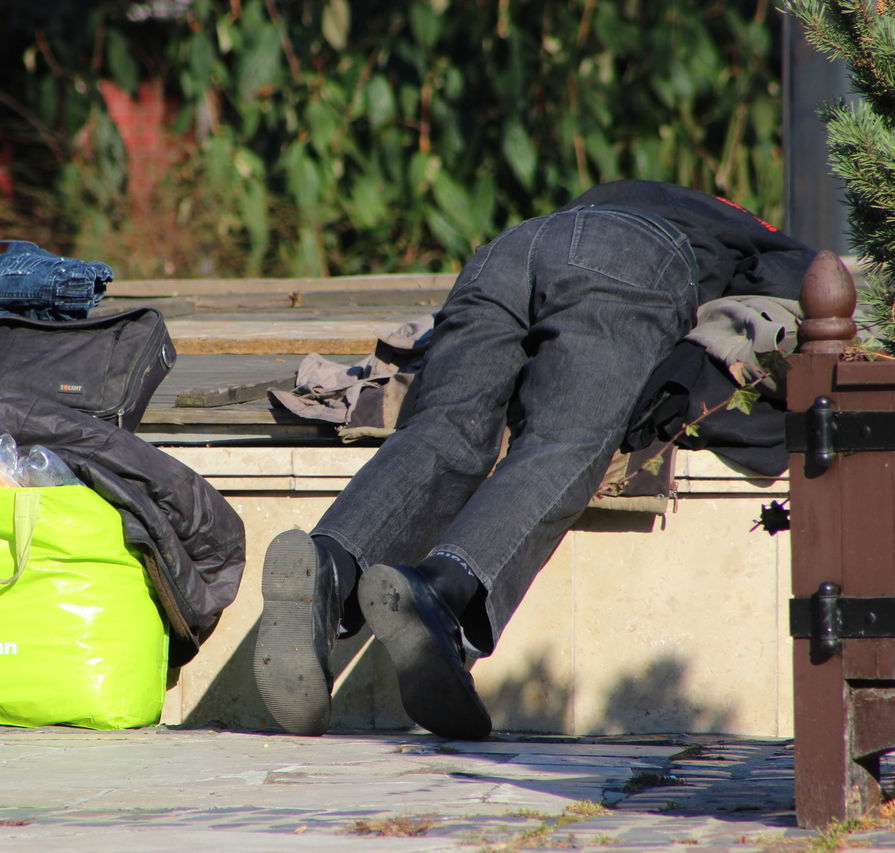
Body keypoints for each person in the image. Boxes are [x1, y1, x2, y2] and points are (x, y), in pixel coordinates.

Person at [252, 180, 815, 739]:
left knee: (443, 431)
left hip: (509, 250)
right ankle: (443, 593)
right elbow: (798, 289)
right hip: (631, 262)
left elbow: (571, 245)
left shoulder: (620, 187)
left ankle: (328, 564)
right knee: (563, 441)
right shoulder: (754, 232)